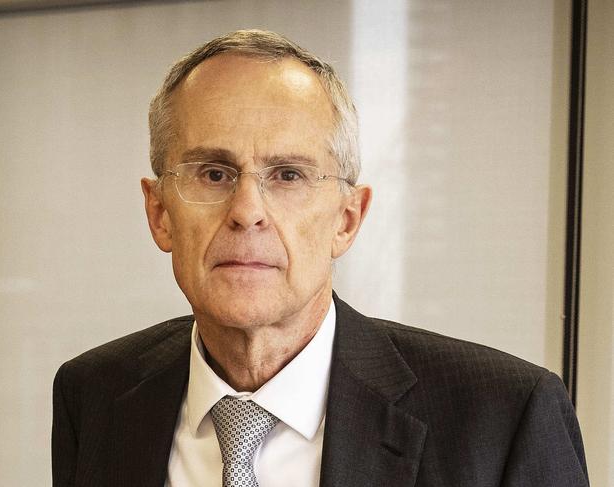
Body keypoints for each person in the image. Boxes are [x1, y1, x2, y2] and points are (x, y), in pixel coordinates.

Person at [52, 29, 589, 487]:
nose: (247, 212)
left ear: (347, 219)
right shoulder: (94, 396)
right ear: (159, 213)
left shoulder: (505, 417)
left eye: (288, 175)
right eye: (214, 173)